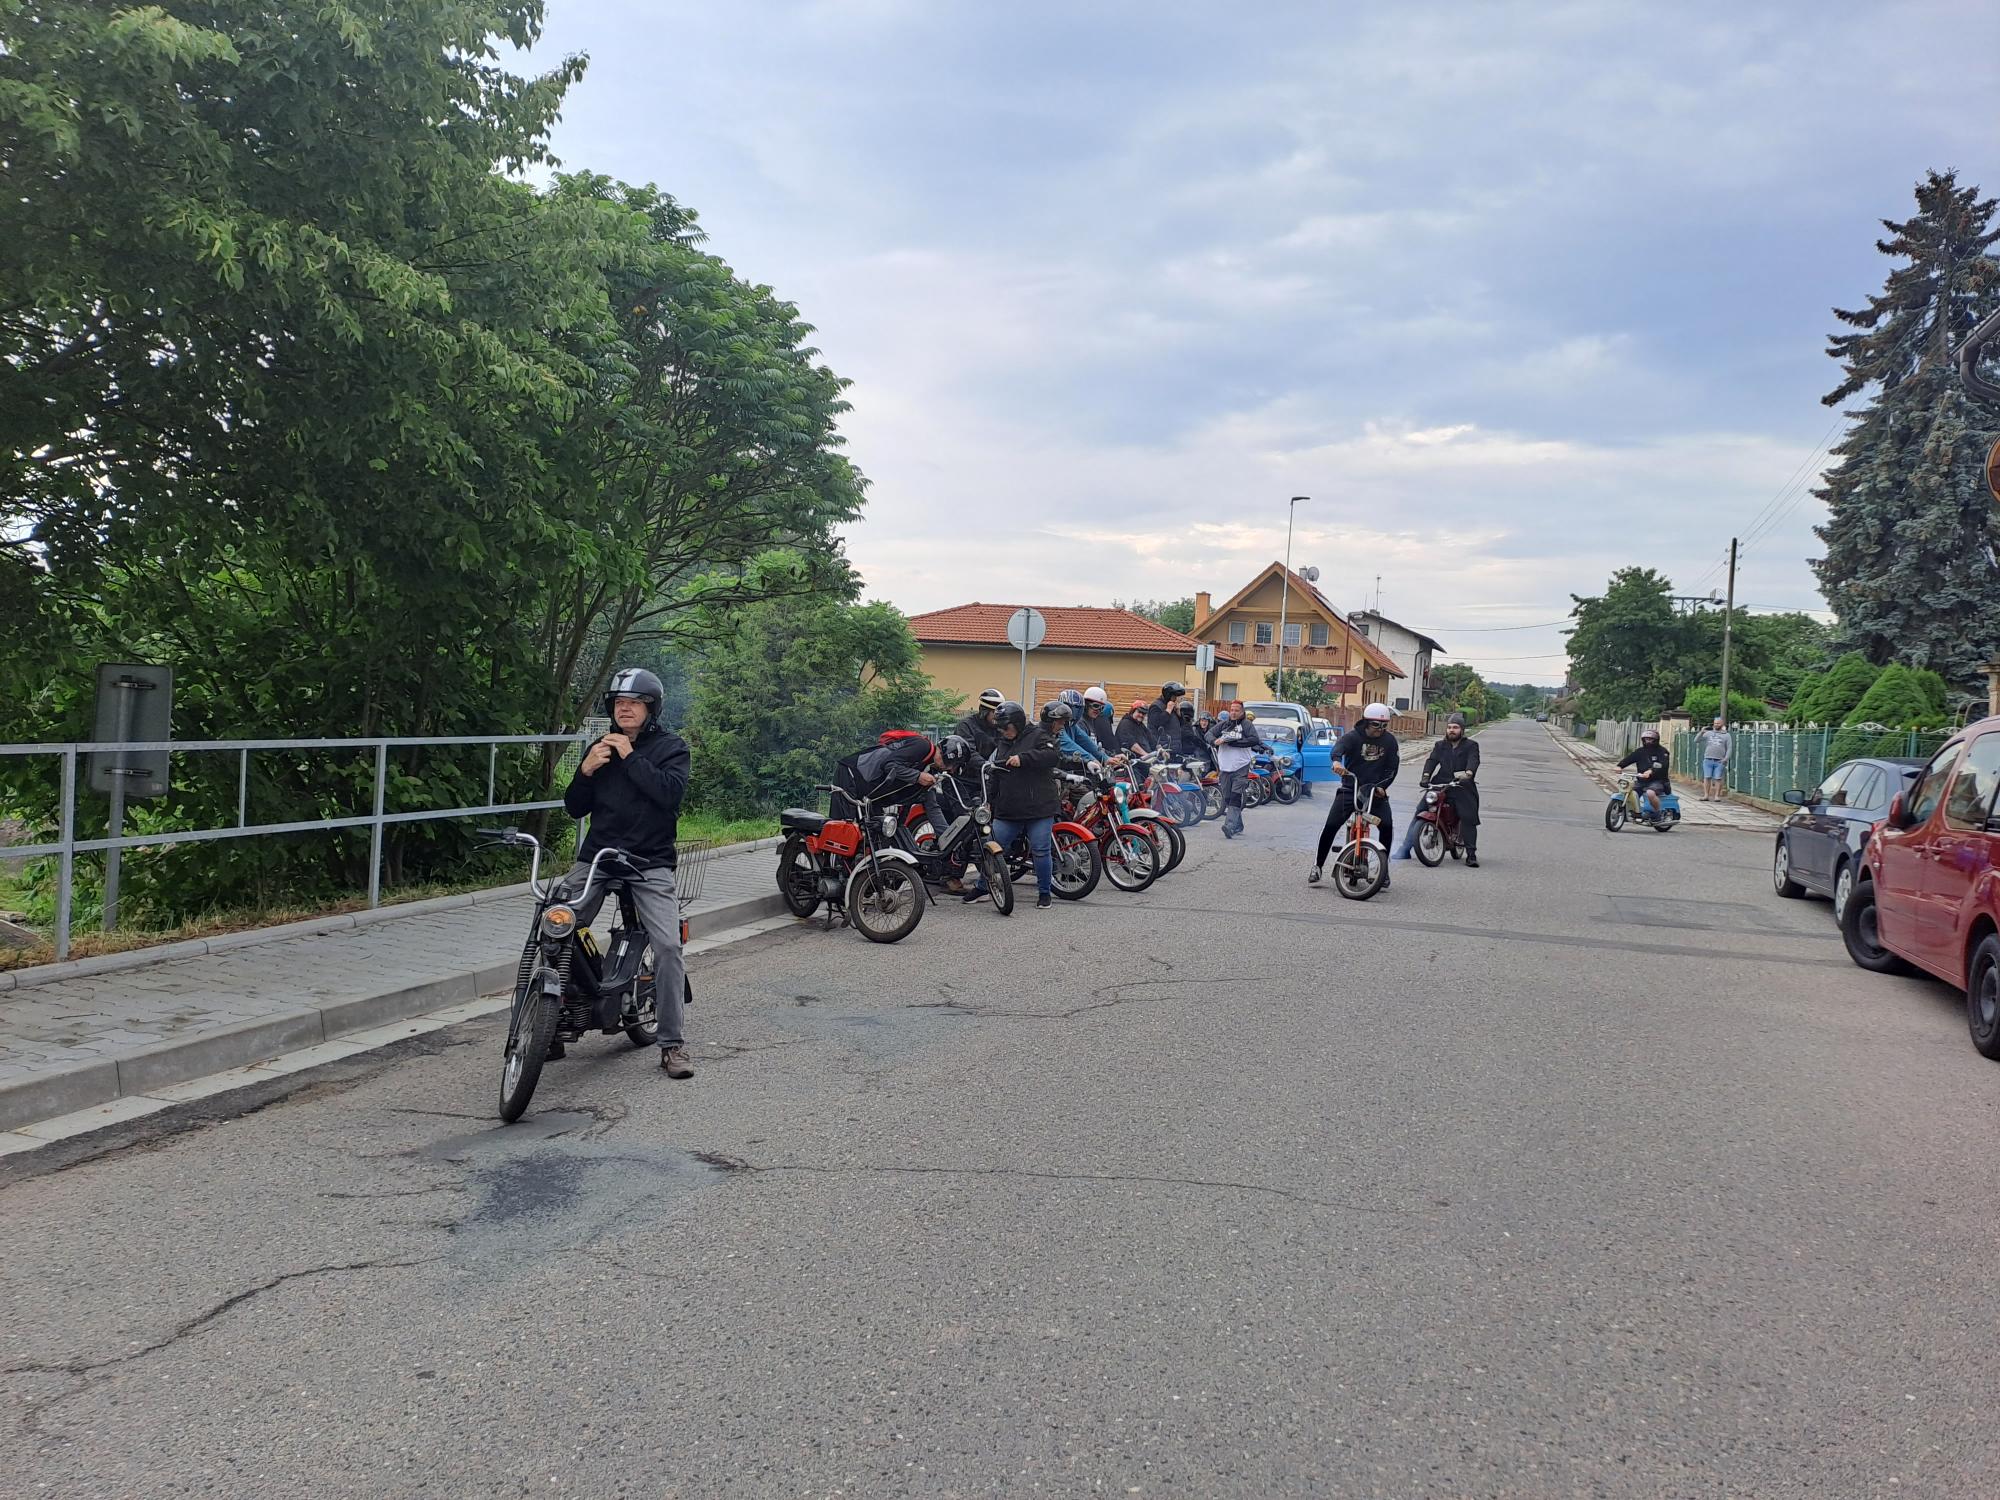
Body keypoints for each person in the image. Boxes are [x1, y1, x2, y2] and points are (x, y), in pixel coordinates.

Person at [561, 667, 694, 1078]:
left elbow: (669, 794)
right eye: (619, 703)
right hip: (598, 858)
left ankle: (671, 1044)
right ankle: (549, 1018)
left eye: (634, 703)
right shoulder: (599, 749)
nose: (625, 709)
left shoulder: (671, 748)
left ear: (651, 709)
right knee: (553, 924)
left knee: (668, 946)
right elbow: (575, 807)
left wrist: (630, 757)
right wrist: (585, 772)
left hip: (649, 861)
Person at [966, 701, 1062, 909]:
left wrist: (1023, 758)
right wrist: (988, 801)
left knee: (1041, 850)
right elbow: (995, 774)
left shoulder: (1039, 736)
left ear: (1017, 723)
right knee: (992, 846)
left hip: (1039, 807)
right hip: (1009, 808)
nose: (1003, 731)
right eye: (1000, 728)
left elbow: (1052, 756)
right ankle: (983, 886)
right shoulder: (1003, 742)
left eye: (1006, 727)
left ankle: (1044, 893)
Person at [1312, 702, 1400, 888]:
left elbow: (1392, 768)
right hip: (1350, 788)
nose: (1380, 729)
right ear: (1366, 722)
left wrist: (1382, 786)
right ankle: (1318, 866)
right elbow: (1338, 749)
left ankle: (1383, 870)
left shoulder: (1390, 741)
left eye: (1384, 725)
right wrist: (1337, 762)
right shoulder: (1353, 737)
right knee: (1331, 825)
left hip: (1375, 791)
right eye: (1376, 724)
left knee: (1387, 826)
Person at [1397, 711, 1481, 867]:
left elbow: (1473, 761)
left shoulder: (1471, 746)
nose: (1451, 730)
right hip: (1440, 784)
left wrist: (1468, 773)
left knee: (1467, 817)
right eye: (1449, 727)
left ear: (1462, 730)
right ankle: (1405, 849)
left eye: (1455, 727)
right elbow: (1432, 761)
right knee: (1420, 811)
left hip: (1462, 786)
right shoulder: (1440, 745)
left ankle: (1471, 854)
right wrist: (1425, 777)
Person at [1207, 700, 1265, 838]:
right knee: (1227, 797)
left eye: (1236, 710)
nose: (1233, 713)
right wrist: (1215, 741)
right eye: (1232, 710)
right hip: (1225, 766)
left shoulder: (1246, 724)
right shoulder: (1224, 724)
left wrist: (1235, 742)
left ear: (1242, 712)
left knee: (1235, 795)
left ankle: (1230, 826)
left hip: (1241, 765)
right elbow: (1208, 734)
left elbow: (1254, 739)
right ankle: (1238, 825)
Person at [1618, 728, 1672, 817]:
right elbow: (1630, 758)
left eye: (1650, 739)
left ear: (1656, 740)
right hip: (1641, 780)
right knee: (1629, 792)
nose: (1648, 741)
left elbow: (1663, 764)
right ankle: (1636, 811)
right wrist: (1620, 766)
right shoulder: (1640, 751)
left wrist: (1651, 771)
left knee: (1650, 793)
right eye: (1646, 739)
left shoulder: (1662, 751)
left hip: (1658, 781)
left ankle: (1658, 813)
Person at [1055, 689, 1110, 763]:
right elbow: (1067, 744)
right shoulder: (1056, 725)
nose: (1076, 712)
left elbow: (1086, 741)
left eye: (1079, 709)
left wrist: (1105, 758)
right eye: (1074, 708)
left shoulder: (1072, 725)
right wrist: (1090, 759)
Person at [955, 688, 1005, 759]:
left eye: (1000, 713)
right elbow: (968, 753)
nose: (998, 716)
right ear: (985, 712)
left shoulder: (1001, 728)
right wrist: (986, 765)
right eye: (995, 712)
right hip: (973, 766)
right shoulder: (965, 726)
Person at [1699, 716, 1732, 801]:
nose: (1716, 724)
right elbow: (1696, 740)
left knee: (1718, 778)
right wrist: (1701, 732)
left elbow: (1729, 748)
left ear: (1722, 724)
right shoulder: (1709, 733)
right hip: (1708, 759)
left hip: (1720, 760)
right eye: (1715, 723)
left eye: (1718, 723)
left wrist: (1726, 758)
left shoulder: (1727, 735)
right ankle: (1706, 795)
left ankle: (1717, 796)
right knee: (1707, 777)